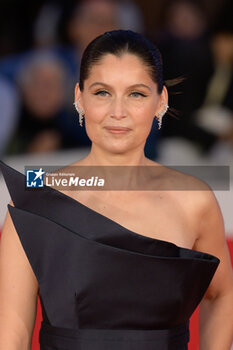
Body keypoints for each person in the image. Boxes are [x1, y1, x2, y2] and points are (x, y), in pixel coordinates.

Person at [0, 29, 232, 350]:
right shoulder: (35, 200)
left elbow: (221, 294)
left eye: (136, 94)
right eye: (102, 93)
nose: (118, 112)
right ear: (79, 97)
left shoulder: (194, 200)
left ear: (160, 100)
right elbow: (11, 337)